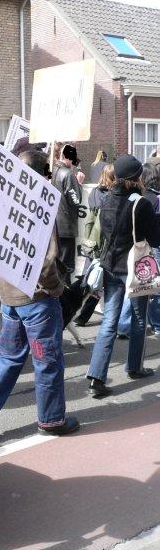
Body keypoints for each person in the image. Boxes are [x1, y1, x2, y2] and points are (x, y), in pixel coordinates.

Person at [0, 150, 79, 440]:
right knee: (48, 361)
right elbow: (47, 260)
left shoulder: (5, 201)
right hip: (37, 300)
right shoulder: (40, 205)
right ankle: (52, 419)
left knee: (8, 356)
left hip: (9, 296)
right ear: (43, 175)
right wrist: (55, 287)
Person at [86, 155, 160, 398]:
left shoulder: (106, 199)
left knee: (109, 321)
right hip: (134, 268)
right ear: (137, 177)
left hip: (110, 266)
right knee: (139, 318)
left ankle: (96, 377)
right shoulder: (141, 203)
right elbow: (155, 238)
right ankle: (134, 367)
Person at [74, 164, 116, 326]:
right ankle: (90, 316)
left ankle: (81, 316)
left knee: (91, 281)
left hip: (92, 243)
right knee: (102, 282)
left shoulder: (94, 193)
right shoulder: (112, 196)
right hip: (106, 245)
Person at [52, 144, 83, 285]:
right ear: (66, 156)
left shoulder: (51, 171)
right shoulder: (67, 174)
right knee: (66, 266)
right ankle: (64, 300)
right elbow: (76, 200)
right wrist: (79, 183)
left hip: (53, 225)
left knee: (56, 263)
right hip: (66, 227)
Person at [141, 163, 160, 336]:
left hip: (140, 247)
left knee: (142, 286)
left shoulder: (140, 197)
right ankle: (156, 323)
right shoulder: (157, 199)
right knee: (155, 287)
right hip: (155, 246)